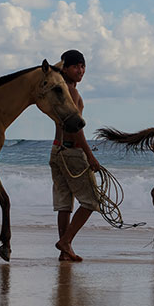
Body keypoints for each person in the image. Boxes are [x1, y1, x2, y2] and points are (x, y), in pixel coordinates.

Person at [49, 49, 101, 262]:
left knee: (64, 203)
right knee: (92, 201)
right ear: (66, 68)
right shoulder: (72, 93)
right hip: (71, 152)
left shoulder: (57, 90)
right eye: (75, 66)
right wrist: (90, 156)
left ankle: (65, 251)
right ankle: (66, 241)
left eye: (82, 66)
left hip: (56, 150)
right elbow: (76, 129)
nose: (80, 70)